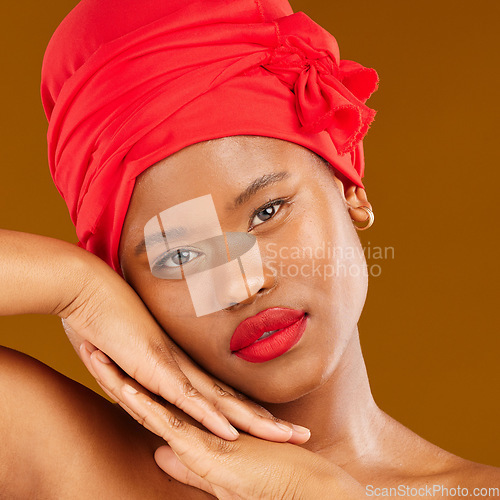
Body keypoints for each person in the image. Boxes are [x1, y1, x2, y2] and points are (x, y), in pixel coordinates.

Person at [0, 0, 498, 498]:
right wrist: (77, 288)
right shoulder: (70, 460)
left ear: (351, 190)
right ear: (128, 283)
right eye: (180, 257)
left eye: (266, 212)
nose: (241, 283)